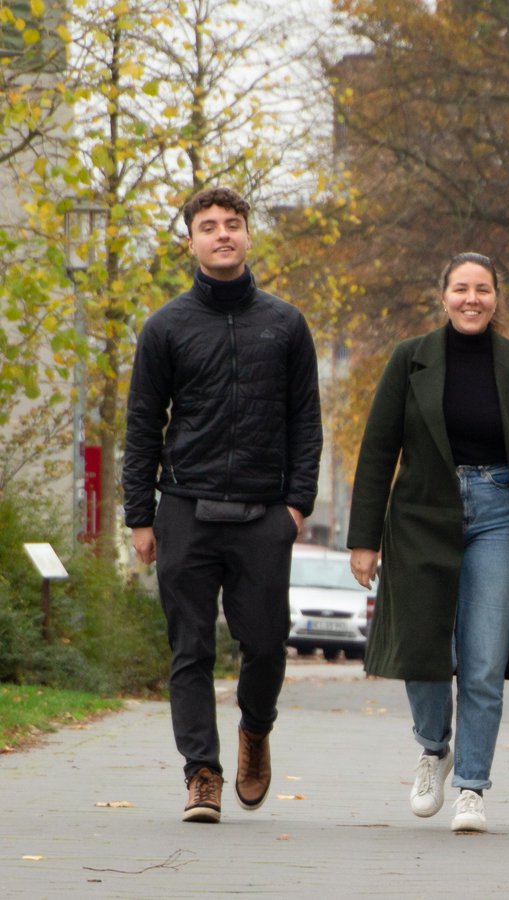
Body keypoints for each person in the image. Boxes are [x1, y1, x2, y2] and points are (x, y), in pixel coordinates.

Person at [347, 252, 509, 834]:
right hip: (422, 515)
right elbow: (378, 449)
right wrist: (363, 539)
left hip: (500, 516)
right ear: (443, 296)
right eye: (462, 289)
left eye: (483, 289)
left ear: (496, 298)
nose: (472, 299)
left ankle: (471, 786)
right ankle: (433, 748)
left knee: (483, 662)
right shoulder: (410, 359)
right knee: (421, 651)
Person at [123, 186, 322, 824]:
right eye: (208, 226)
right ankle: (202, 774)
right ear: (191, 242)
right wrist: (139, 515)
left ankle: (255, 731)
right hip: (186, 506)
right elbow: (143, 423)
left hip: (264, 512)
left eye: (232, 224)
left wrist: (296, 506)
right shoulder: (166, 326)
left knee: (265, 644)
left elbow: (305, 420)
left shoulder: (285, 324)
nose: (222, 234)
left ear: (247, 235)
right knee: (191, 648)